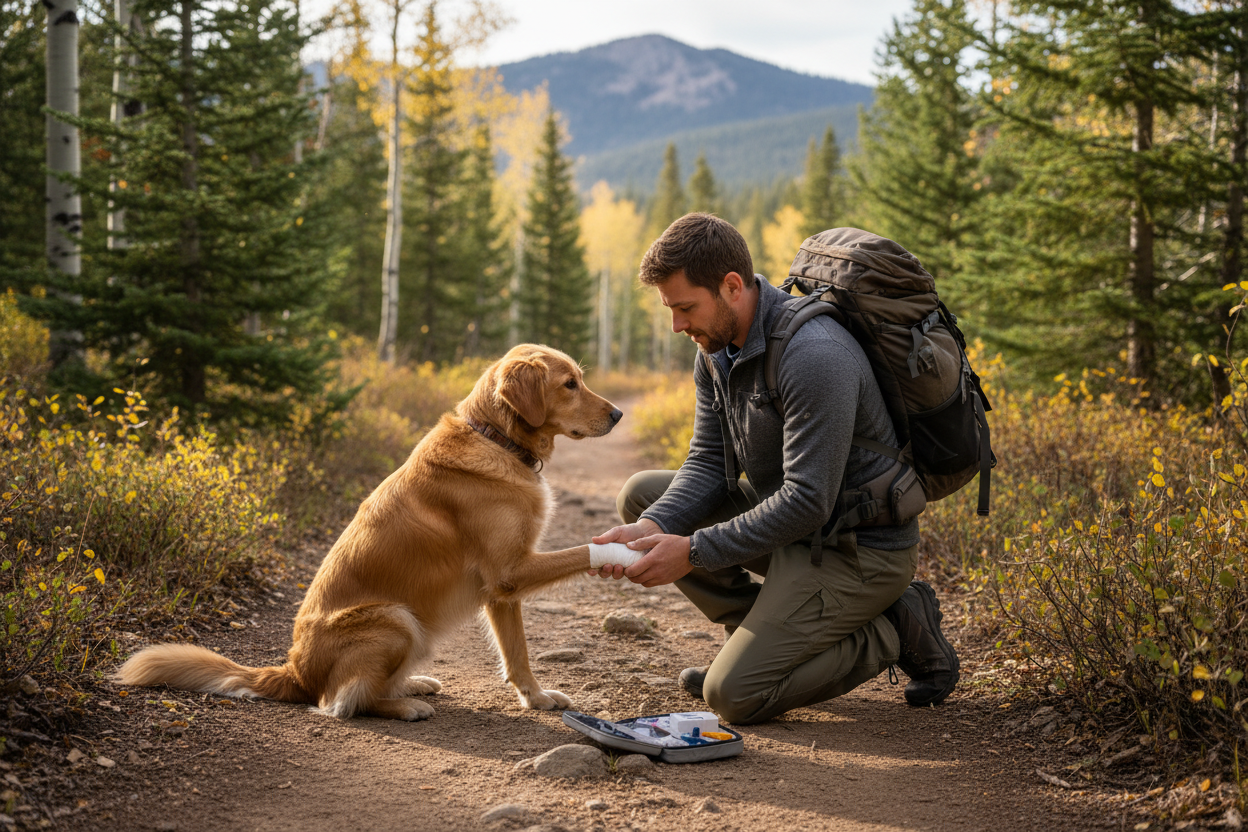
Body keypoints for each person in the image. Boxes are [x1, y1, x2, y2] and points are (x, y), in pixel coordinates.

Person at [590, 213, 959, 725]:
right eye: (670, 311)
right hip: (795, 535)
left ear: (732, 286)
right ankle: (757, 638)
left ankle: (894, 626)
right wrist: (653, 528)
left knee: (733, 696)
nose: (678, 325)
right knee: (643, 497)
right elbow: (707, 462)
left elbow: (809, 499)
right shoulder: (716, 350)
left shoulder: (814, 353)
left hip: (859, 549)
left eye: (685, 307)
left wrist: (693, 551)